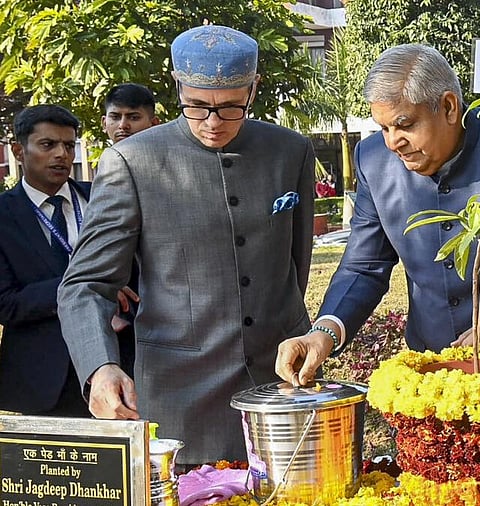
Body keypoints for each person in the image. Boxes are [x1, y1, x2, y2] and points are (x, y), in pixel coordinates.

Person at [275, 44, 480, 386]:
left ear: (449, 107)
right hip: (433, 375)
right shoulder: (373, 161)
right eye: (384, 128)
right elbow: (364, 266)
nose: (392, 142)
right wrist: (324, 332)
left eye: (404, 124)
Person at [58, 25, 316, 465]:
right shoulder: (132, 161)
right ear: (177, 85)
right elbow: (86, 284)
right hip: (180, 398)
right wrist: (99, 367)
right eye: (196, 106)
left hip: (283, 387)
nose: (213, 123)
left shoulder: (291, 151)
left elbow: (297, 262)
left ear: (253, 89)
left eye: (230, 107)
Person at [0, 105, 91, 416]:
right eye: (48, 145)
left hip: (116, 370)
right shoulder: (4, 216)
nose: (62, 155)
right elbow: (6, 304)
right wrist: (81, 285)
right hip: (40, 382)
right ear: (19, 152)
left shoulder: (102, 199)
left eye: (69, 145)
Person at [102, 83, 159, 377]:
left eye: (133, 117)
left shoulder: (170, 174)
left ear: (154, 123)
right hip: (114, 326)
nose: (123, 125)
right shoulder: (94, 184)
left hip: (166, 319)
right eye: (116, 117)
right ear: (105, 123)